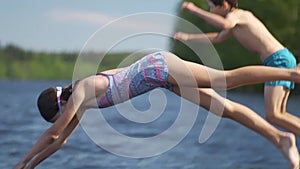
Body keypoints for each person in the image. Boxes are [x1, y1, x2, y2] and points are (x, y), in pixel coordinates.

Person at [13, 51, 300, 169]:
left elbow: (53, 134)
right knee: (222, 109)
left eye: (59, 116)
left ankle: (293, 75)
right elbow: (61, 140)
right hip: (162, 80)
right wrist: (32, 166)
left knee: (227, 80)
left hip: (161, 68)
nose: (63, 120)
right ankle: (281, 138)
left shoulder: (84, 89)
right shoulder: (81, 101)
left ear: (59, 105)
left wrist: (21, 163)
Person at [173, 0, 300, 138]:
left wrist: (194, 9)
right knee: (279, 113)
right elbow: (218, 38)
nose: (210, 11)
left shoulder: (238, 15)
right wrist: (187, 37)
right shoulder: (236, 22)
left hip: (278, 60)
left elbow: (225, 24)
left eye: (211, 7)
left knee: (273, 114)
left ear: (224, 5)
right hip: (281, 58)